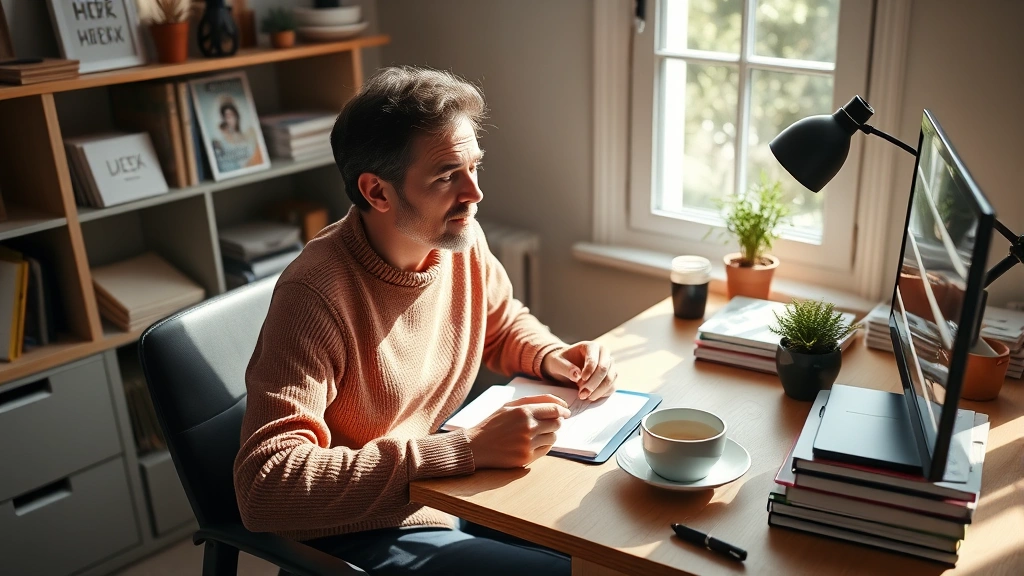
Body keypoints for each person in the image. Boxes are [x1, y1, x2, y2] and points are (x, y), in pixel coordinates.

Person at [233, 65, 618, 576]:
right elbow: (266, 485)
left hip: (445, 496)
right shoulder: (315, 296)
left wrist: (554, 356)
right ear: (377, 192)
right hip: (357, 536)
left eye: (474, 167)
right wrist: (460, 450)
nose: (474, 194)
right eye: (446, 176)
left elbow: (500, 324)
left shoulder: (459, 242)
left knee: (603, 541)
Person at [212, 96, 264, 172]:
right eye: (227, 117)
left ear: (237, 116)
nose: (230, 120)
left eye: (232, 115)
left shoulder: (249, 133)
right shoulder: (221, 141)